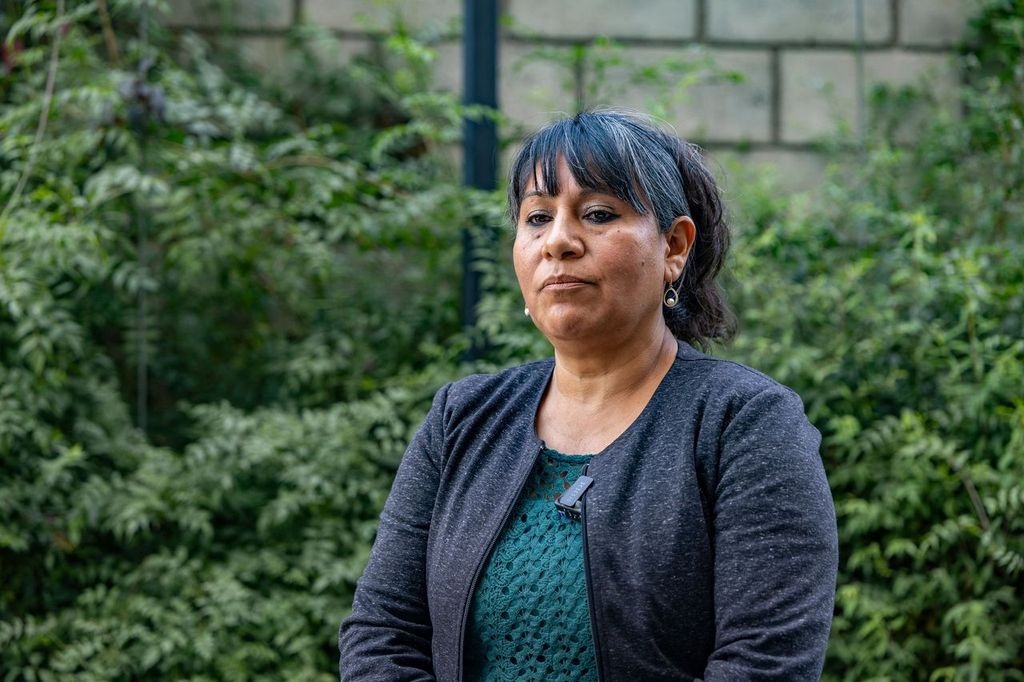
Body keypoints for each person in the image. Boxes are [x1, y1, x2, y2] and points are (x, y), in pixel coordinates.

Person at [338, 109, 838, 681]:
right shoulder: (462, 419)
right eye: (536, 218)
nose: (558, 242)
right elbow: (382, 634)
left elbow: (765, 665)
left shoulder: (743, 423)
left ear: (674, 246)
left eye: (597, 214)